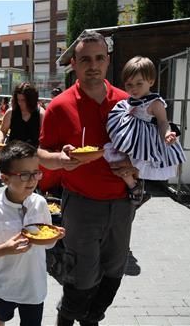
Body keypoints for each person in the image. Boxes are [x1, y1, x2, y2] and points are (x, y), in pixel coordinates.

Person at [37, 31, 136, 326]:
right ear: (74, 65)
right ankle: (68, 316)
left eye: (98, 58)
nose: (93, 65)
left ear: (107, 62)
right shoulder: (59, 106)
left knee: (115, 271)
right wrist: (62, 162)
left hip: (122, 203)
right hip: (80, 204)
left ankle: (90, 317)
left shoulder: (128, 103)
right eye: (85, 60)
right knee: (82, 276)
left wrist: (137, 166)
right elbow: (40, 153)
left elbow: (147, 148)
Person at [0, 141, 65, 326]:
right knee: (1, 317)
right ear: (5, 179)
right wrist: (5, 249)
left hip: (33, 284)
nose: (32, 180)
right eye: (24, 175)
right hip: (3, 284)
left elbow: (48, 244)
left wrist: (53, 237)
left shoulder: (40, 203)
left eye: (36, 173)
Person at [106, 56, 186, 205]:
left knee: (129, 167)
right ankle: (136, 188)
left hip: (145, 143)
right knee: (115, 159)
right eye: (129, 84)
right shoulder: (128, 100)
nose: (133, 88)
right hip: (131, 137)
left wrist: (167, 134)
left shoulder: (155, 103)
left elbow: (163, 122)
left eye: (139, 83)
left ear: (151, 81)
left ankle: (136, 189)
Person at [0, 82, 45, 148]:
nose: (20, 103)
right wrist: (0, 140)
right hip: (13, 154)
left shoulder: (41, 114)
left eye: (23, 100)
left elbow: (45, 138)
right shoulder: (11, 112)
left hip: (33, 155)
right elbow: (3, 130)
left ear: (31, 100)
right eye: (18, 100)